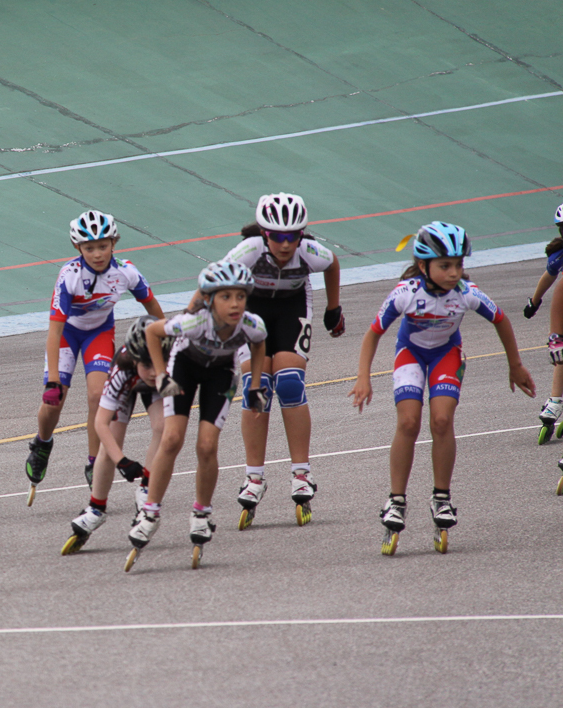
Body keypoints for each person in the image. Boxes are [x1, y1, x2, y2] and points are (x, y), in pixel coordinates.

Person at [349, 222, 535, 556]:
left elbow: (501, 320)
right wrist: (363, 376)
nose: (454, 273)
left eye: (459, 265)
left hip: (446, 355)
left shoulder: (466, 292)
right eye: (445, 266)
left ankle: (441, 498)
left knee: (441, 421)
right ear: (423, 266)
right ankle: (396, 501)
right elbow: (373, 333)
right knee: (408, 422)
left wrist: (515, 365)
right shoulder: (406, 292)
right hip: (411, 353)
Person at [124, 261, 267, 571]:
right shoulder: (194, 322)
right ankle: (150, 512)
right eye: (226, 297)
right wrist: (161, 374)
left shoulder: (251, 324)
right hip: (184, 367)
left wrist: (255, 385)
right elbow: (152, 331)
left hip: (220, 373)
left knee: (207, 446)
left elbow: (259, 345)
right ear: (210, 299)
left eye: (240, 296)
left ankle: (201, 513)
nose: (235, 304)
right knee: (171, 438)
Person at [24, 210, 164, 507]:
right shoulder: (69, 276)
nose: (97, 254)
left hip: (99, 333)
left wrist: (166, 343)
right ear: (78, 248)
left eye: (103, 246)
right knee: (55, 401)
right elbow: (54, 331)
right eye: (89, 248)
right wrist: (52, 381)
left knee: (99, 396)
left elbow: (154, 309)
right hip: (67, 333)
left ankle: (93, 461)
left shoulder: (126, 272)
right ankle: (42, 443)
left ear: (114, 243)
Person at [222, 192, 343, 528]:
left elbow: (332, 263)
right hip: (252, 309)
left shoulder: (309, 252)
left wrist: (333, 308)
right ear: (265, 234)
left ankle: (302, 474)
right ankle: (253, 477)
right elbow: (217, 282)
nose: (286, 244)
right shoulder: (248, 252)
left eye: (293, 236)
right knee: (256, 389)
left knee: (289, 383)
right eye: (277, 236)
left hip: (292, 308)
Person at [59, 316, 170, 555]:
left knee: (163, 428)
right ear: (135, 359)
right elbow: (100, 423)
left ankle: (146, 490)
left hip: (161, 385)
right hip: (128, 383)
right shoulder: (122, 367)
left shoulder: (173, 363)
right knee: (110, 444)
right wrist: (122, 461)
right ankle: (96, 508)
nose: (153, 372)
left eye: (157, 363)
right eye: (147, 365)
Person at [524, 203, 563, 444]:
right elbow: (550, 279)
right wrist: (534, 301)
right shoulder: (559, 256)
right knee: (561, 354)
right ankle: (555, 400)